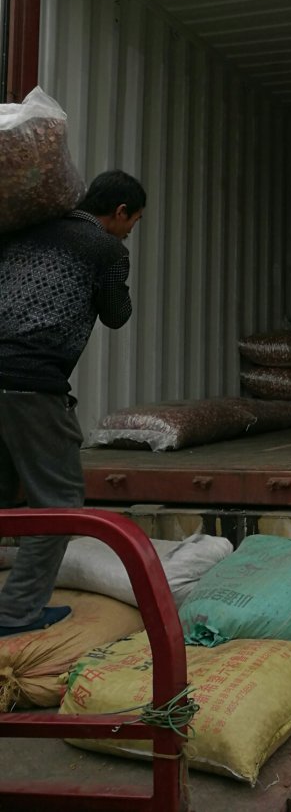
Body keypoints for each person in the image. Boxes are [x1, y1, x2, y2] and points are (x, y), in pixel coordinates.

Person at [0, 170, 145, 635]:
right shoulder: (105, 248)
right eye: (133, 222)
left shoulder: (27, 233)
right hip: (32, 384)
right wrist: (116, 275)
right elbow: (117, 316)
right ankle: (15, 615)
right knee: (59, 501)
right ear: (119, 211)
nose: (129, 231)